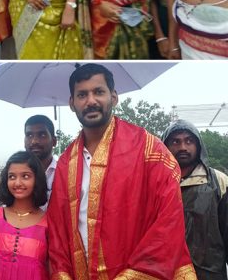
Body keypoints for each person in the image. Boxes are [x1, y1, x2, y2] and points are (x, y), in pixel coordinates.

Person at [47, 64, 196, 279]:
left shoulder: (148, 149)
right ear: (72, 103)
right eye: (82, 95)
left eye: (98, 92)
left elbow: (169, 219)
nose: (91, 101)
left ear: (114, 97)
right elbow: (57, 231)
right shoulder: (65, 163)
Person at [162, 119, 228, 280]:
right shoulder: (154, 183)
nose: (183, 147)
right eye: (175, 141)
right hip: (164, 273)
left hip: (208, 275)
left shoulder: (219, 182)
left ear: (198, 146)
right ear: (165, 146)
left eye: (189, 141)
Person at [0, 151, 48, 279]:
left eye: (25, 176)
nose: (17, 183)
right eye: (12, 177)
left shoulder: (49, 222)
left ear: (37, 179)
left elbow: (53, 267)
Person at [23, 114, 57, 204]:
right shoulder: (17, 174)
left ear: (54, 141)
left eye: (42, 135)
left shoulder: (65, 172)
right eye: (29, 135)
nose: (34, 141)